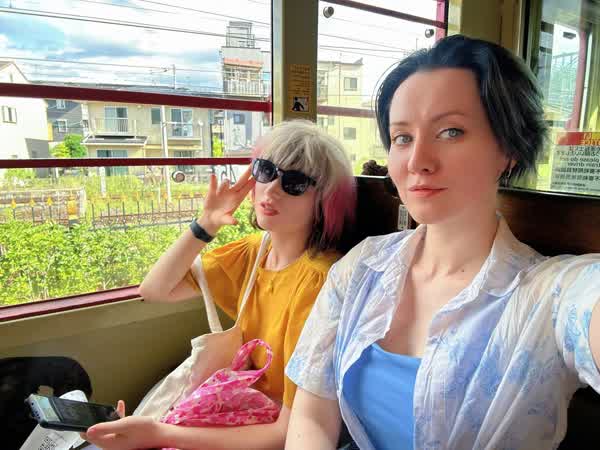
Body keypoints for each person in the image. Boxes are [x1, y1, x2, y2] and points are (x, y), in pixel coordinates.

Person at [284, 35, 600, 450]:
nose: (418, 161)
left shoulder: (550, 295)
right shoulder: (362, 267)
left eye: (451, 131)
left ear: (509, 149)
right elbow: (311, 413)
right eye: (402, 137)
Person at [83, 119, 356, 450]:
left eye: (294, 183)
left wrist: (160, 434)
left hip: (266, 431)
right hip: (235, 408)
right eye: (266, 171)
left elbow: (287, 432)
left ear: (324, 201)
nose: (271, 190)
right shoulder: (254, 252)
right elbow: (155, 289)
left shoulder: (319, 282)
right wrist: (206, 223)